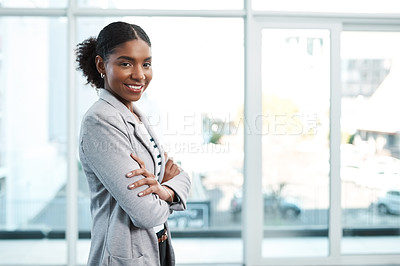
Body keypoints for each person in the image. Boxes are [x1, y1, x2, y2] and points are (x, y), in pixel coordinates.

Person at [76, 21, 191, 266]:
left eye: (146, 64)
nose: (139, 74)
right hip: (123, 256)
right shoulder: (100, 122)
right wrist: (171, 193)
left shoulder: (136, 115)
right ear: (101, 65)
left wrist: (163, 190)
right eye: (126, 63)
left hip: (154, 248)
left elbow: (179, 173)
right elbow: (145, 213)